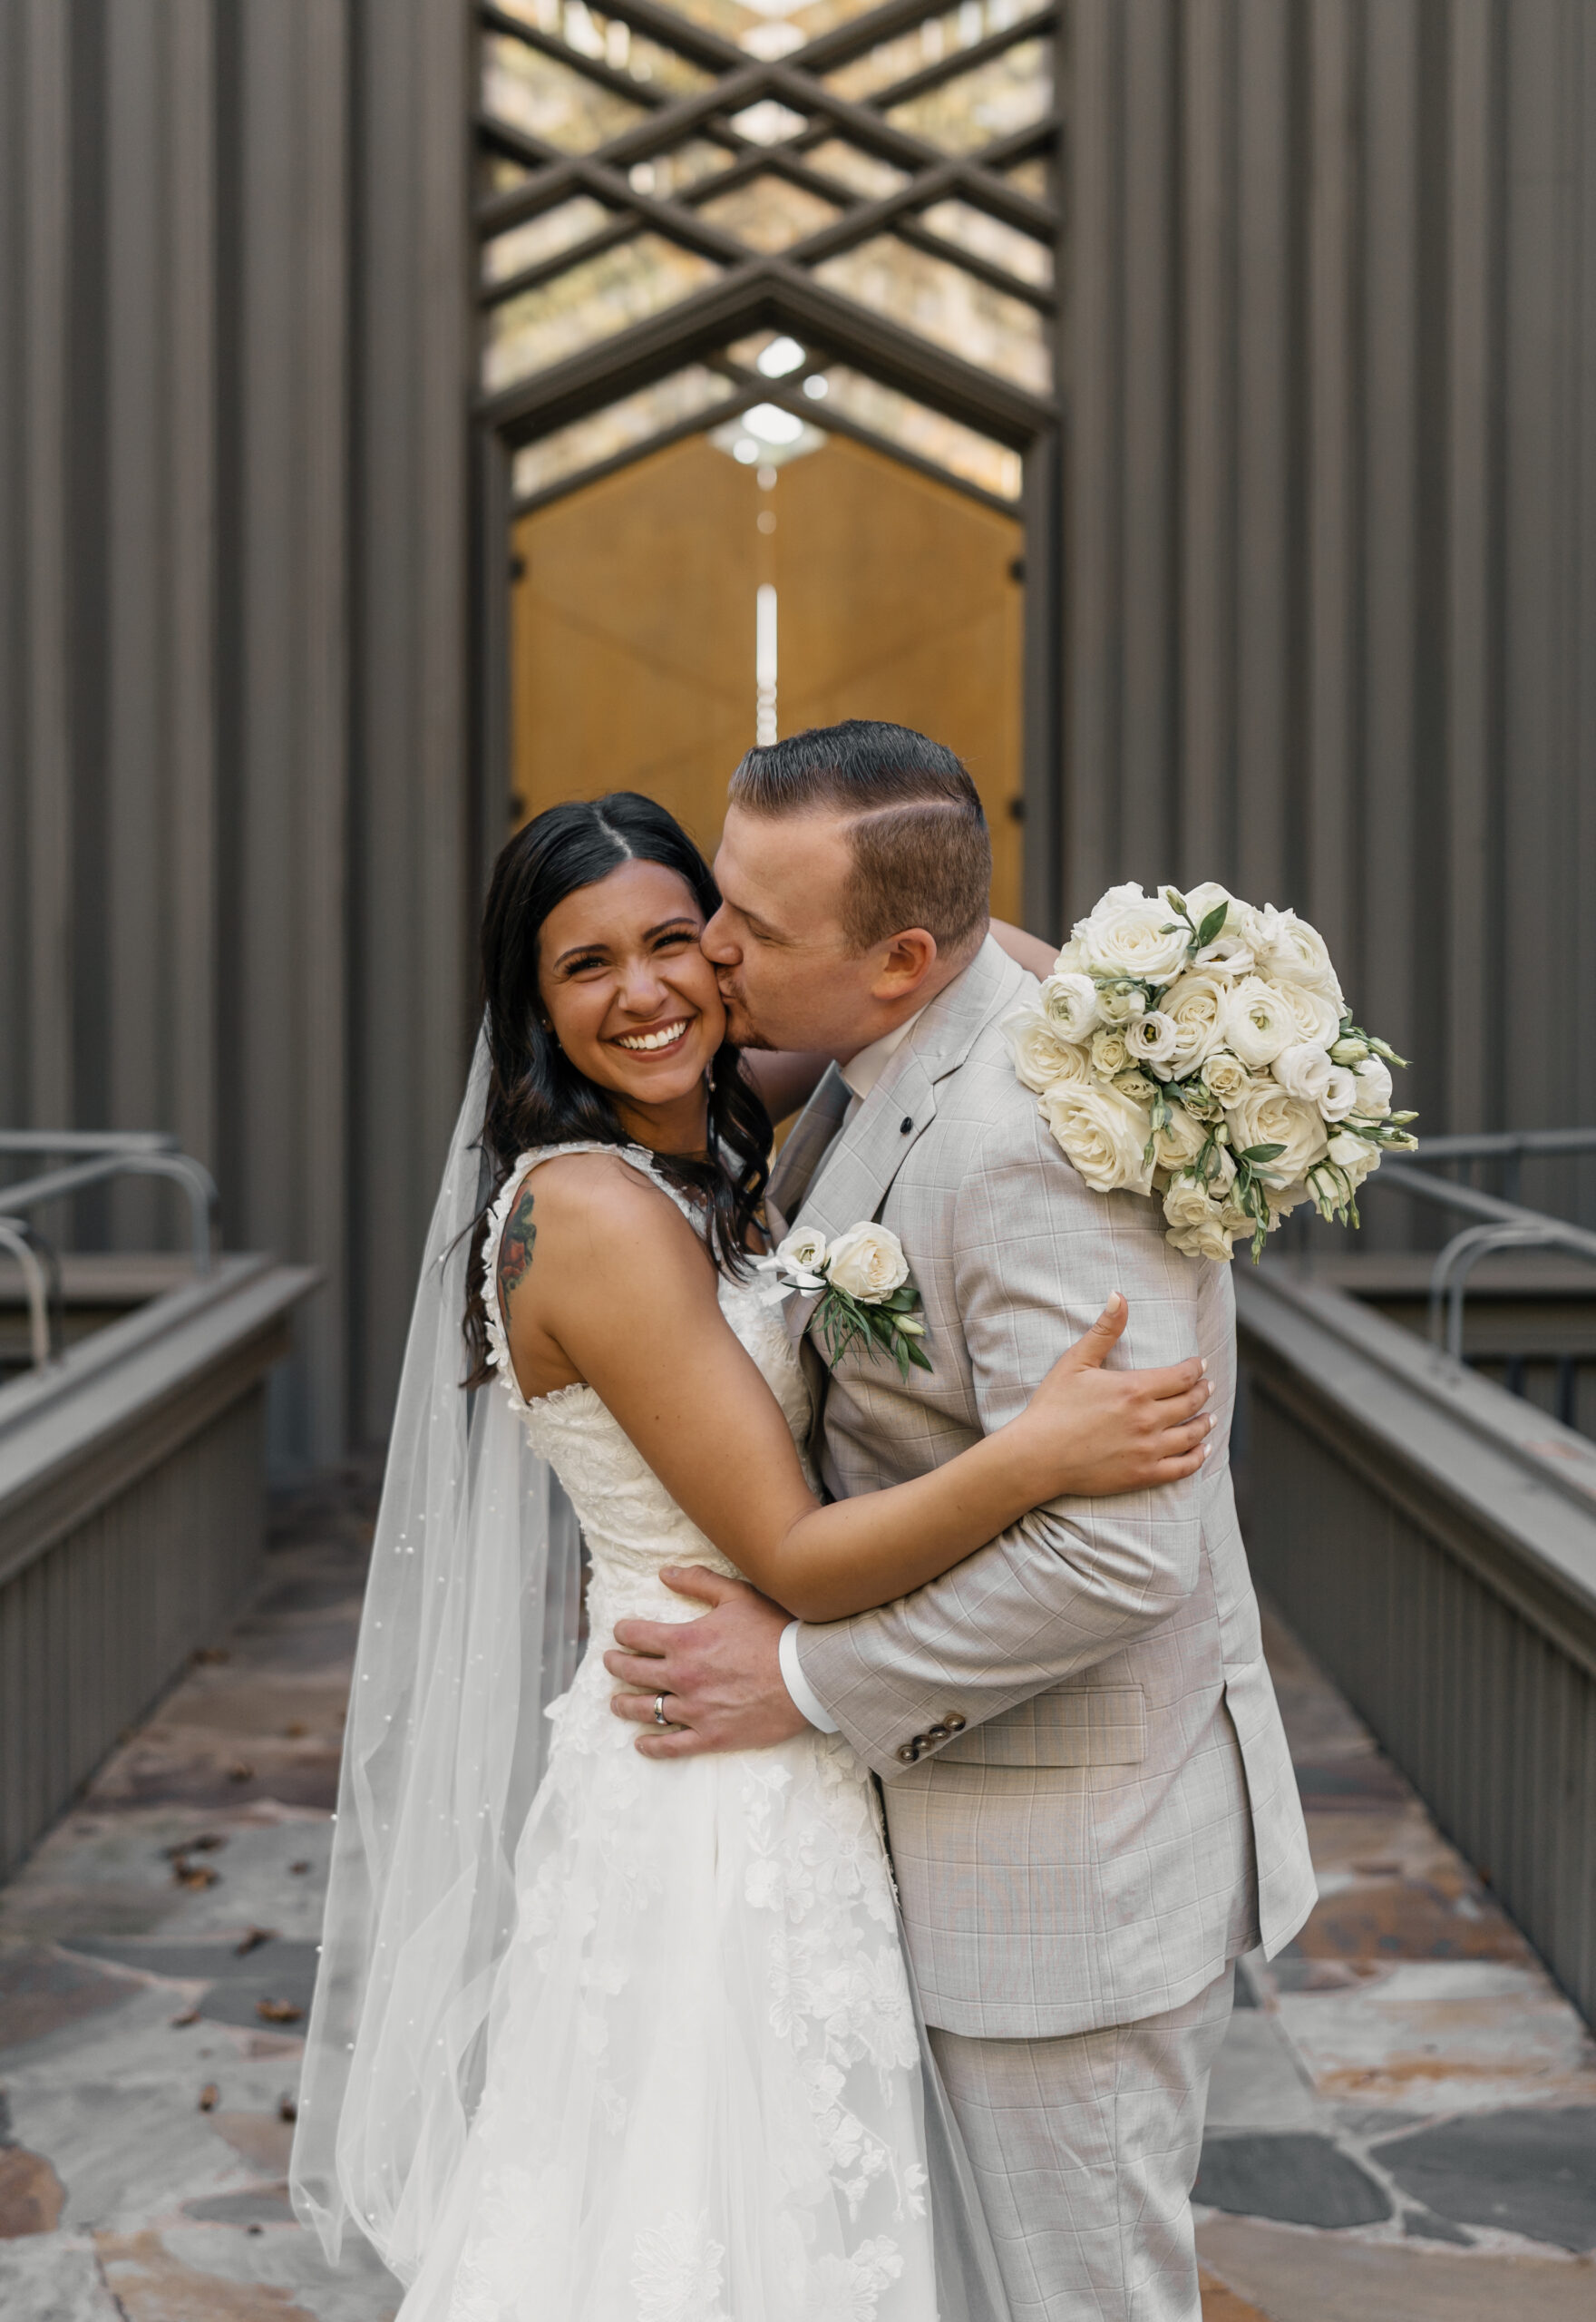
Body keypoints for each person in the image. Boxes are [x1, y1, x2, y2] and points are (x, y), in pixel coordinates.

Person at [290, 785, 1216, 2321]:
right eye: (585, 967)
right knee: (702, 2215)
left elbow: (948, 979)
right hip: (707, 1776)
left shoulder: (709, 1128)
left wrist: (1201, 1023)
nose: (646, 992)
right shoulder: (592, 1213)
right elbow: (793, 1553)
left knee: (804, 2209)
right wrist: (1032, 1457)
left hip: (783, 1768)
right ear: (528, 1000)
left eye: (681, 939)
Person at [600, 723, 1318, 2322]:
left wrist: (793, 1680)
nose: (713, 951)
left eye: (754, 932)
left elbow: (1121, 1553)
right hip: (948, 1840)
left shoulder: (1034, 1145)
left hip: (1063, 1886)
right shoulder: (906, 1043)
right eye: (723, 898)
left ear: (901, 957)